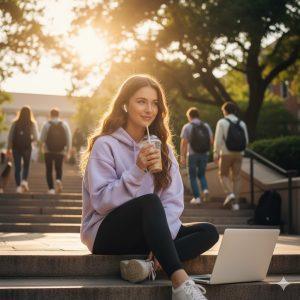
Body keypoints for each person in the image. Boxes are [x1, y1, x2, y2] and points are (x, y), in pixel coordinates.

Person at [80, 74, 219, 300]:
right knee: (150, 202)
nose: (149, 109)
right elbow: (101, 202)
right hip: (105, 232)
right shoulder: (105, 145)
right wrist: (137, 171)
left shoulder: (162, 148)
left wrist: (164, 235)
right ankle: (180, 282)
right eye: (141, 101)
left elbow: (173, 201)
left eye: (154, 103)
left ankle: (148, 266)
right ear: (125, 104)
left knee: (208, 232)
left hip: (148, 230)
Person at [213, 102, 249, 210]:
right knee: (237, 177)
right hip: (239, 153)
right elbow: (246, 140)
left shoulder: (222, 122)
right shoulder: (242, 123)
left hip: (226, 152)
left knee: (223, 174)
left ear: (225, 111)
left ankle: (230, 194)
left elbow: (218, 139)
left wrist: (215, 152)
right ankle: (236, 204)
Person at [180, 107, 213, 205]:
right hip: (204, 154)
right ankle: (205, 190)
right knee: (202, 174)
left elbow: (184, 143)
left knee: (192, 176)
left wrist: (182, 156)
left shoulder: (187, 126)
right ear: (198, 115)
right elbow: (211, 140)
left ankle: (197, 198)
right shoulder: (206, 126)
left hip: (192, 155)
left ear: (189, 116)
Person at [6, 106, 39, 193]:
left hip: (16, 148)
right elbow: (36, 137)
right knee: (26, 165)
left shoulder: (15, 123)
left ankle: (18, 186)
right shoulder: (32, 123)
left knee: (17, 167)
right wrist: (30, 140)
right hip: (27, 147)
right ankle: (24, 181)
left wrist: (8, 148)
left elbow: (10, 136)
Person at [40, 108, 72, 194]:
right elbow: (69, 139)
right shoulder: (64, 124)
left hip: (48, 151)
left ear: (50, 115)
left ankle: (51, 189)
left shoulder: (46, 124)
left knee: (49, 170)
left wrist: (42, 147)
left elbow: (42, 138)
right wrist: (68, 151)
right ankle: (58, 180)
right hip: (60, 151)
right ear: (58, 115)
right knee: (59, 168)